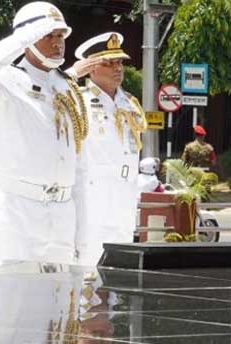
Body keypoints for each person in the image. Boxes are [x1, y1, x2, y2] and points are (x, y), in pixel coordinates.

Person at [0, 2, 87, 264]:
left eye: (60, 36)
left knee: (57, 301)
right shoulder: (4, 81)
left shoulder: (67, 88)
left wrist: (84, 236)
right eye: (48, 35)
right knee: (12, 299)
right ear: (27, 39)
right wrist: (19, 41)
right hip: (17, 212)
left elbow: (79, 166)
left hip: (62, 213)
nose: (58, 43)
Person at [70, 32, 146, 266]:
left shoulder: (130, 103)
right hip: (93, 198)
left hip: (124, 197)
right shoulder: (77, 101)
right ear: (91, 69)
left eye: (120, 62)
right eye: (109, 63)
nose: (118, 68)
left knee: (117, 270)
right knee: (88, 268)